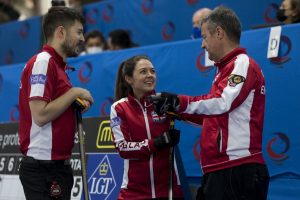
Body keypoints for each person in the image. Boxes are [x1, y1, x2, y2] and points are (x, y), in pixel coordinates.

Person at [153, 6, 270, 200]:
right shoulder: (226, 69)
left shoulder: (242, 63)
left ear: (219, 33)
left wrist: (179, 101)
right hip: (224, 170)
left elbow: (223, 103)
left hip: (237, 170)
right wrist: (175, 110)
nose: (202, 45)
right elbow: (215, 115)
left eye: (204, 37)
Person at [18, 6, 94, 200]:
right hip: (43, 168)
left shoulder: (58, 66)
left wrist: (73, 104)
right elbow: (41, 115)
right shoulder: (43, 61)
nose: (82, 38)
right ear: (61, 31)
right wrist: (75, 92)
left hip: (56, 167)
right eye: (78, 32)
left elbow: (53, 109)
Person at [110, 55, 183, 199]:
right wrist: (157, 143)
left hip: (168, 190)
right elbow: (123, 148)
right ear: (129, 79)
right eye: (143, 72)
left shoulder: (165, 102)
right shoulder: (119, 108)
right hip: (134, 192)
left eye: (153, 71)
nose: (150, 75)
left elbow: (197, 118)